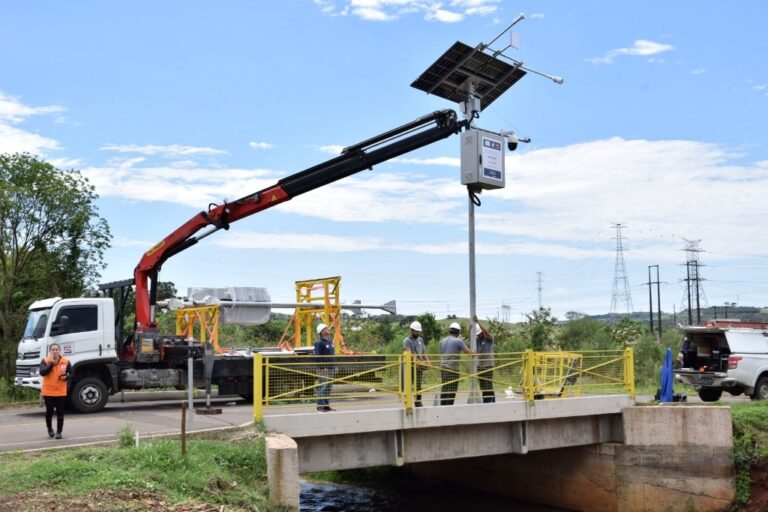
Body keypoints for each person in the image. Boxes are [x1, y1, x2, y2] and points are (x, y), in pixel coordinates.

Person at [39, 343, 71, 439]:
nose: (55, 351)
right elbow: (42, 372)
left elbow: (71, 373)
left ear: (59, 350)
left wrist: (67, 377)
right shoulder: (45, 361)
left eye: (56, 349)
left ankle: (59, 432)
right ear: (50, 351)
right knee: (49, 411)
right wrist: (51, 365)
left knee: (60, 411)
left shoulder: (66, 361)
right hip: (48, 391)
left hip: (61, 391)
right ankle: (50, 429)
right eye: (53, 350)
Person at [439, 322, 473, 405]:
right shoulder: (458, 341)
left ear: (449, 331)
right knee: (451, 391)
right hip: (452, 370)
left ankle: (442, 407)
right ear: (458, 332)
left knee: (445, 388)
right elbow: (469, 352)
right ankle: (449, 408)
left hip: (443, 368)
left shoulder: (442, 341)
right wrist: (475, 353)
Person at [403, 320, 431, 407]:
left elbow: (424, 352)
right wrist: (417, 362)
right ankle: (408, 402)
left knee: (418, 385)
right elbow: (409, 353)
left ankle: (418, 402)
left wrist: (428, 362)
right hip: (410, 366)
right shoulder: (407, 341)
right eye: (416, 331)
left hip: (419, 366)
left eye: (418, 331)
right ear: (412, 330)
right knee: (409, 384)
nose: (418, 333)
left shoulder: (420, 340)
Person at [314, 323, 336, 412]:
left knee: (328, 387)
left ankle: (326, 405)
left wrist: (335, 366)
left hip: (331, 368)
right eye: (326, 328)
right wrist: (322, 367)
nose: (328, 329)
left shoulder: (329, 342)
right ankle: (320, 406)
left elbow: (332, 355)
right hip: (323, 369)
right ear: (322, 332)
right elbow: (317, 356)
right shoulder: (319, 343)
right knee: (323, 386)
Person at [474, 315, 495, 403]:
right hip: (480, 366)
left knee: (488, 385)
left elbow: (486, 332)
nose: (478, 336)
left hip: (488, 366)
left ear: (482, 332)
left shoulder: (489, 339)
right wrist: (469, 330)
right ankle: (486, 400)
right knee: (482, 386)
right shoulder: (477, 341)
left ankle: (490, 401)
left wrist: (478, 321)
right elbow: (471, 341)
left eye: (479, 334)